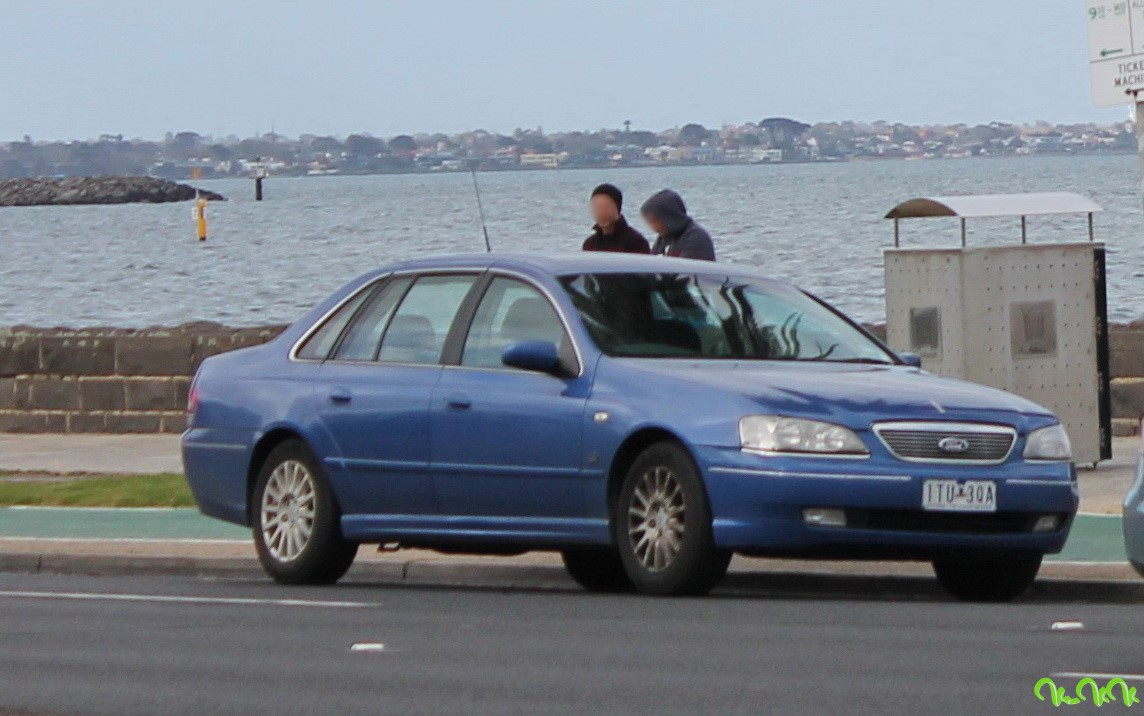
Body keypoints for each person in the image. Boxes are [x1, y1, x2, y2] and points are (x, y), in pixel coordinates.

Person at [640, 189, 716, 261]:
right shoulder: (664, 238)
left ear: (669, 218)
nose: (653, 227)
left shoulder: (696, 238)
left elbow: (686, 270)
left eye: (655, 221)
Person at [582, 183, 651, 254]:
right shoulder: (589, 244)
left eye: (605, 207)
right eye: (596, 208)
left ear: (618, 210)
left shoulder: (636, 242)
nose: (601, 213)